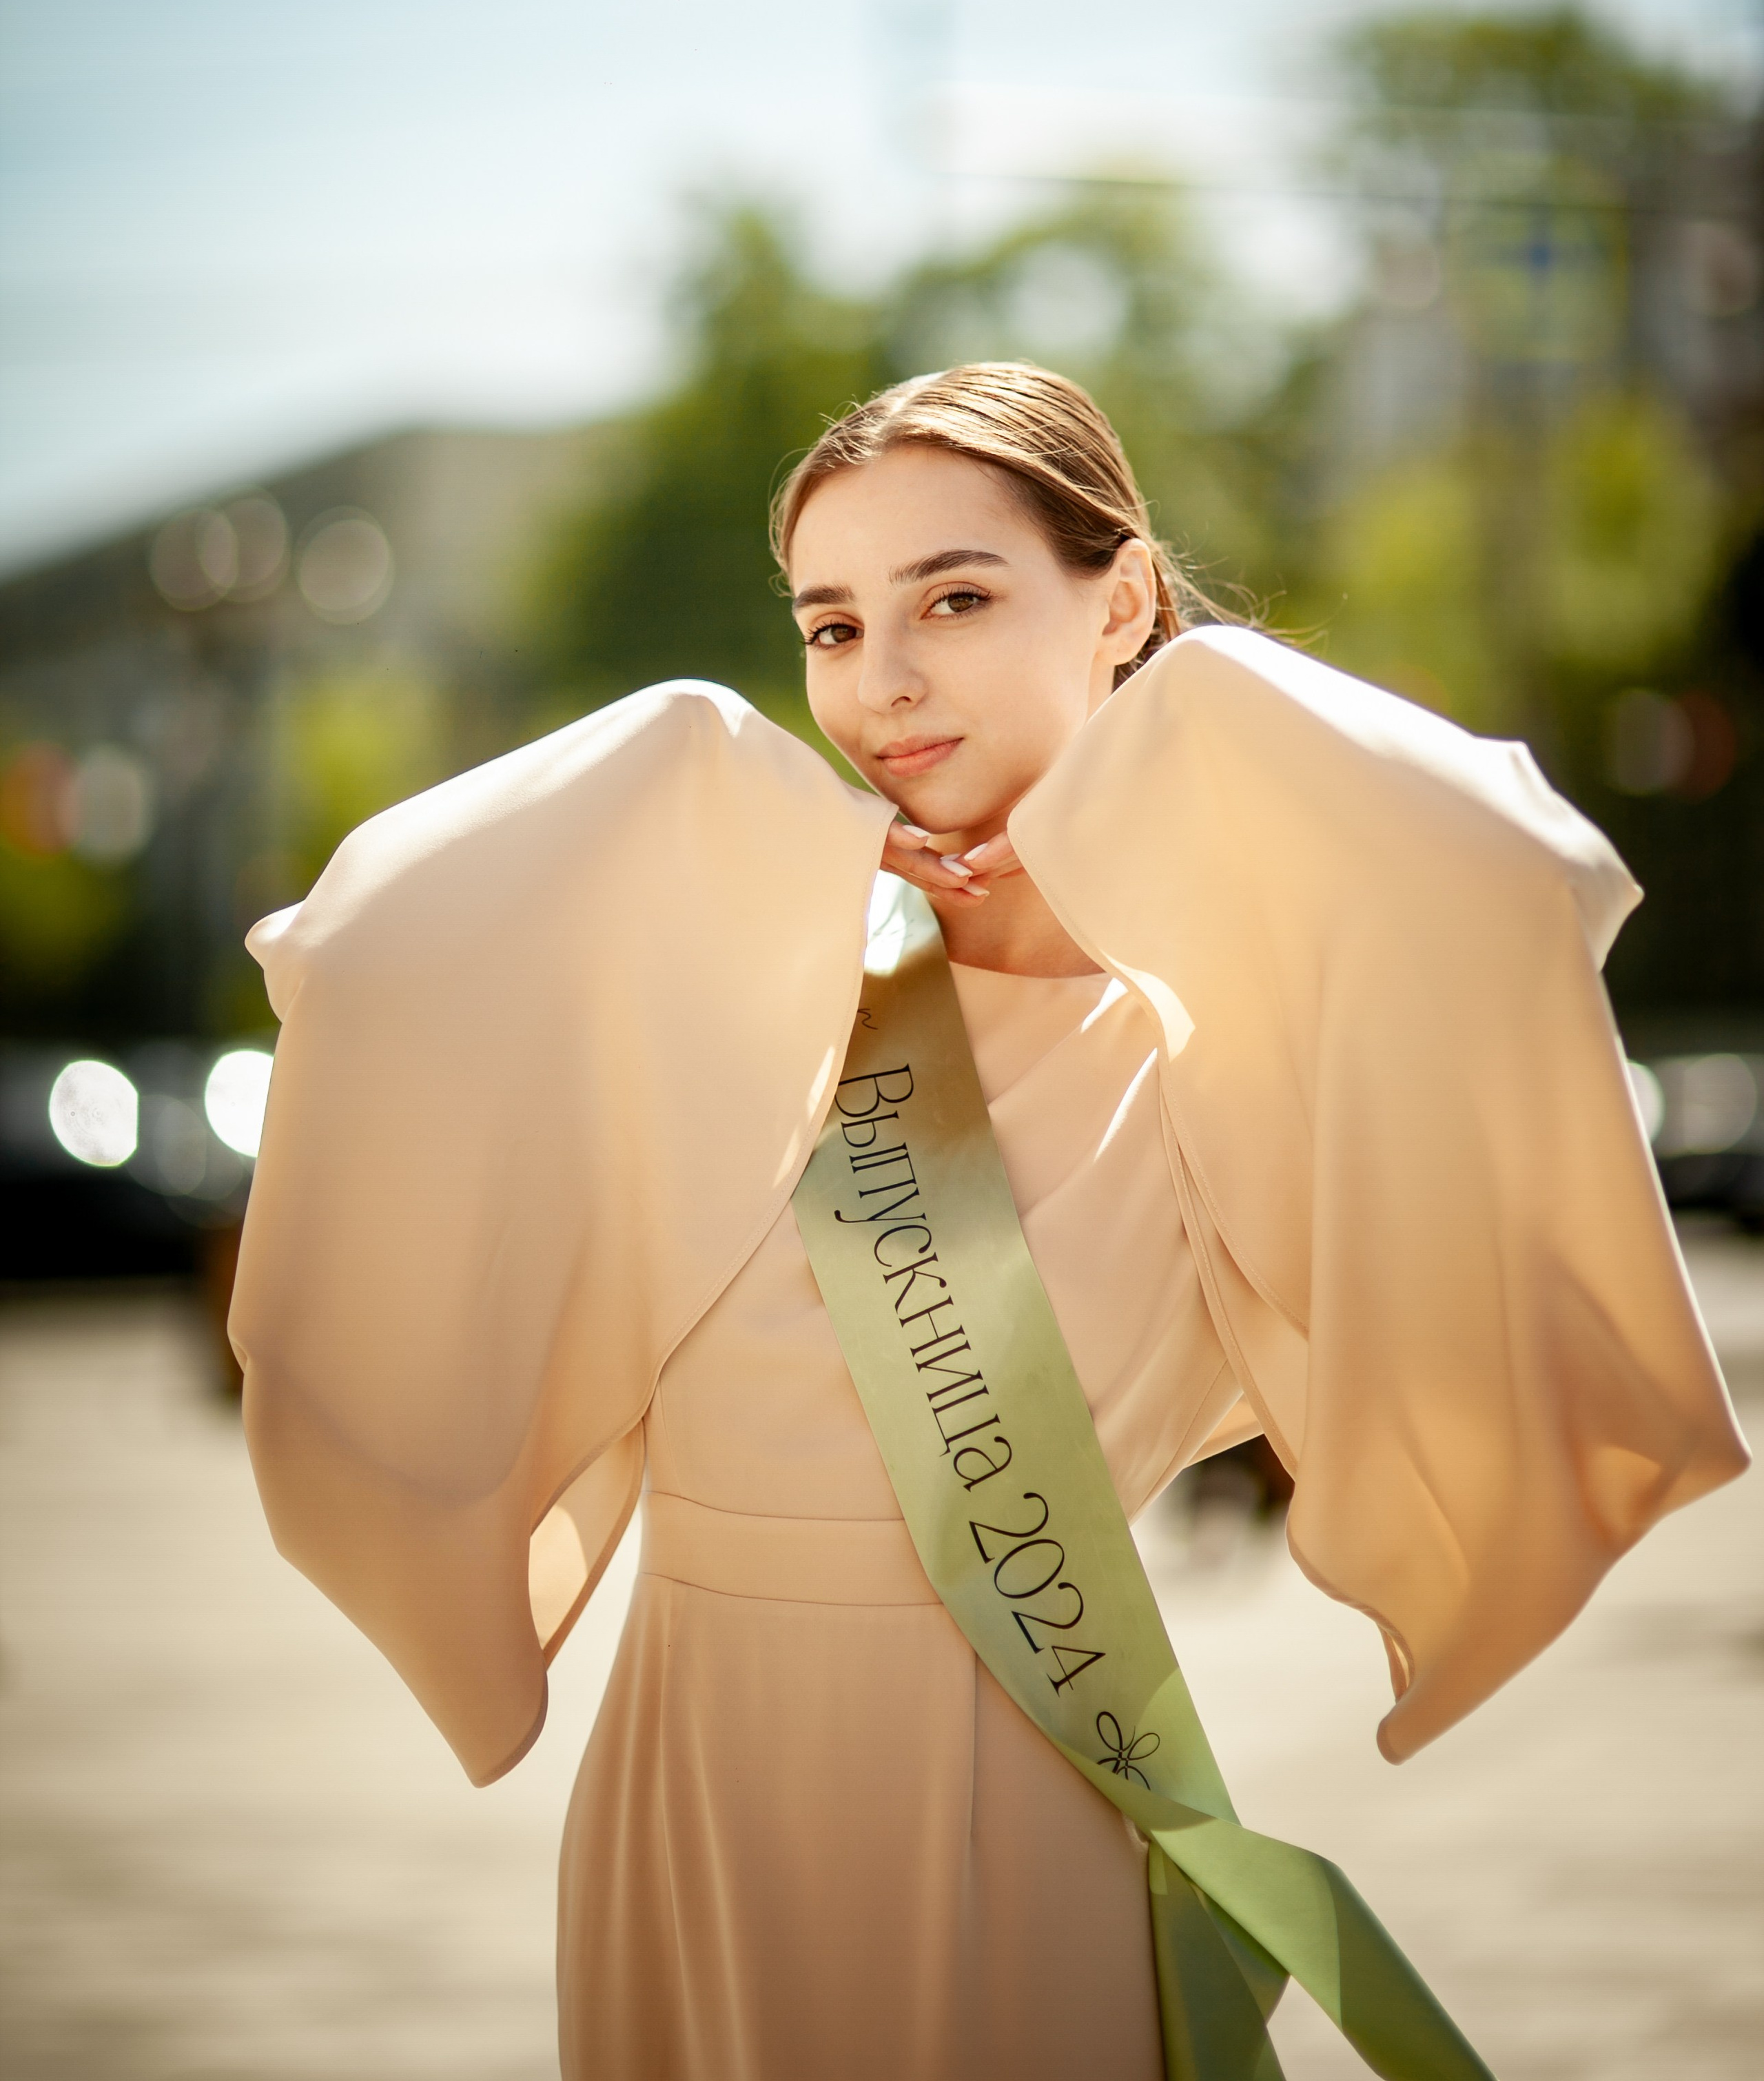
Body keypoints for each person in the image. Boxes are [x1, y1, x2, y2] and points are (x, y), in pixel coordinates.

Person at [231, 363, 1746, 2081]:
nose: (881, 681)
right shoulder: (732, 976)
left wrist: (1180, 748)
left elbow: (1506, 872)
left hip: (1025, 1792)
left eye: (954, 598)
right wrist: (704, 771)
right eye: (827, 626)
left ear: (1122, 602)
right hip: (698, 1798)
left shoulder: (1217, 1034)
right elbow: (366, 955)